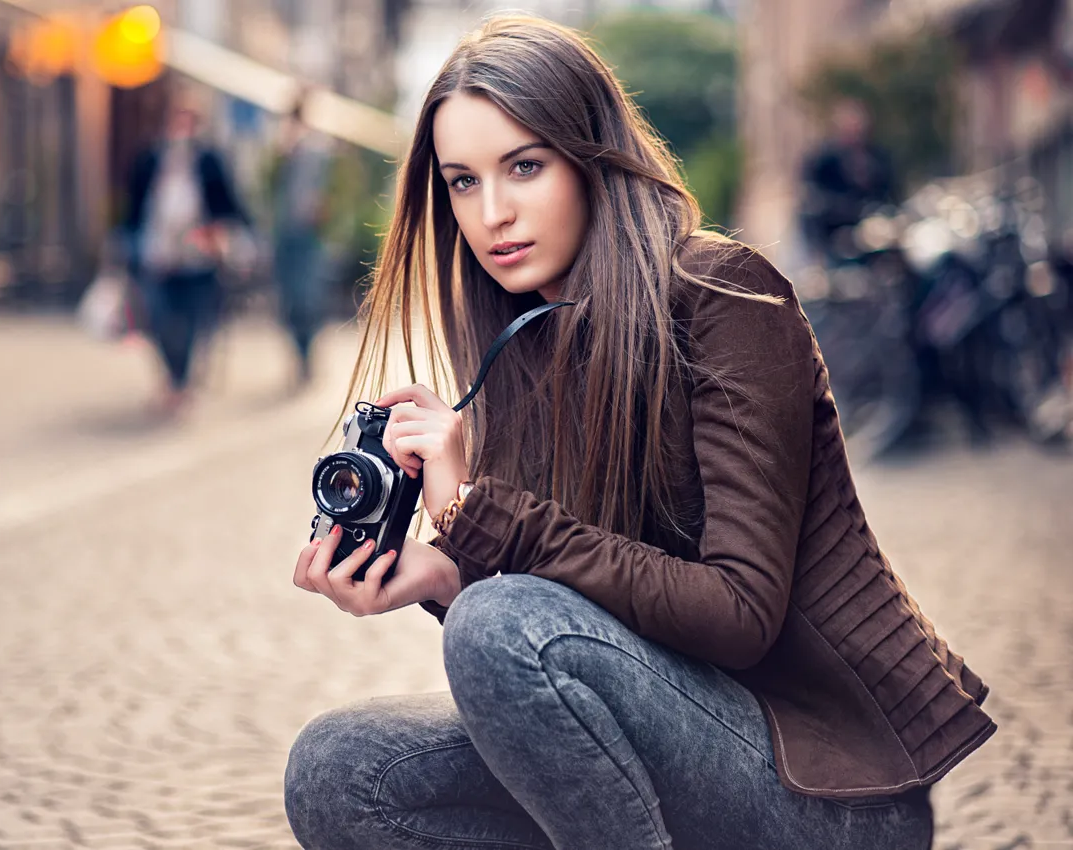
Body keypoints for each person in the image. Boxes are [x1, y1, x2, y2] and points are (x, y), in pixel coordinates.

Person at [283, 16, 995, 850]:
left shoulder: (726, 298)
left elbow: (736, 612)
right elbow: (578, 631)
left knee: (499, 623)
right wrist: (443, 573)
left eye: (524, 166)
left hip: (829, 795)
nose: (494, 213)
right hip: (675, 750)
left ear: (591, 161)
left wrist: (477, 514)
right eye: (463, 182)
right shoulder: (525, 340)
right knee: (337, 771)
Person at [124, 86, 249, 417]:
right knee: (159, 319)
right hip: (158, 255)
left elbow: (228, 204)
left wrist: (222, 235)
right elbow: (134, 207)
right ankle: (173, 376)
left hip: (197, 258)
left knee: (193, 322)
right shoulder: (151, 158)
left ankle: (181, 383)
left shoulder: (209, 160)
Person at [271, 90, 334, 387]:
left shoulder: (317, 148)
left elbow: (331, 189)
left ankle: (307, 357)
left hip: (309, 235)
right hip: (287, 232)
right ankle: (299, 356)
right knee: (290, 299)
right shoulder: (285, 148)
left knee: (306, 298)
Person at [799, 97, 897, 264]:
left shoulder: (877, 157)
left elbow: (891, 193)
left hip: (874, 235)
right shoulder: (824, 161)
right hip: (836, 235)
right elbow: (814, 198)